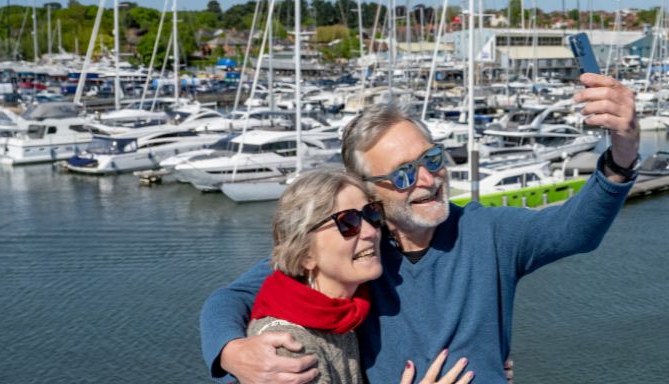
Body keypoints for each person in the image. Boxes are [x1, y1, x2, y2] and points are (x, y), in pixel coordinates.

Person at [201, 73, 639, 383]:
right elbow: (231, 298)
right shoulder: (358, 251)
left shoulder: (488, 231)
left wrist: (622, 153)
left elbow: (574, 230)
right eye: (404, 174)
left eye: (431, 160)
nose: (428, 180)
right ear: (369, 192)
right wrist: (231, 353)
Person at [247, 170, 472, 384]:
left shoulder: (350, 311)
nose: (370, 231)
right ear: (305, 253)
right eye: (348, 222)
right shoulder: (289, 348)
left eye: (372, 214)